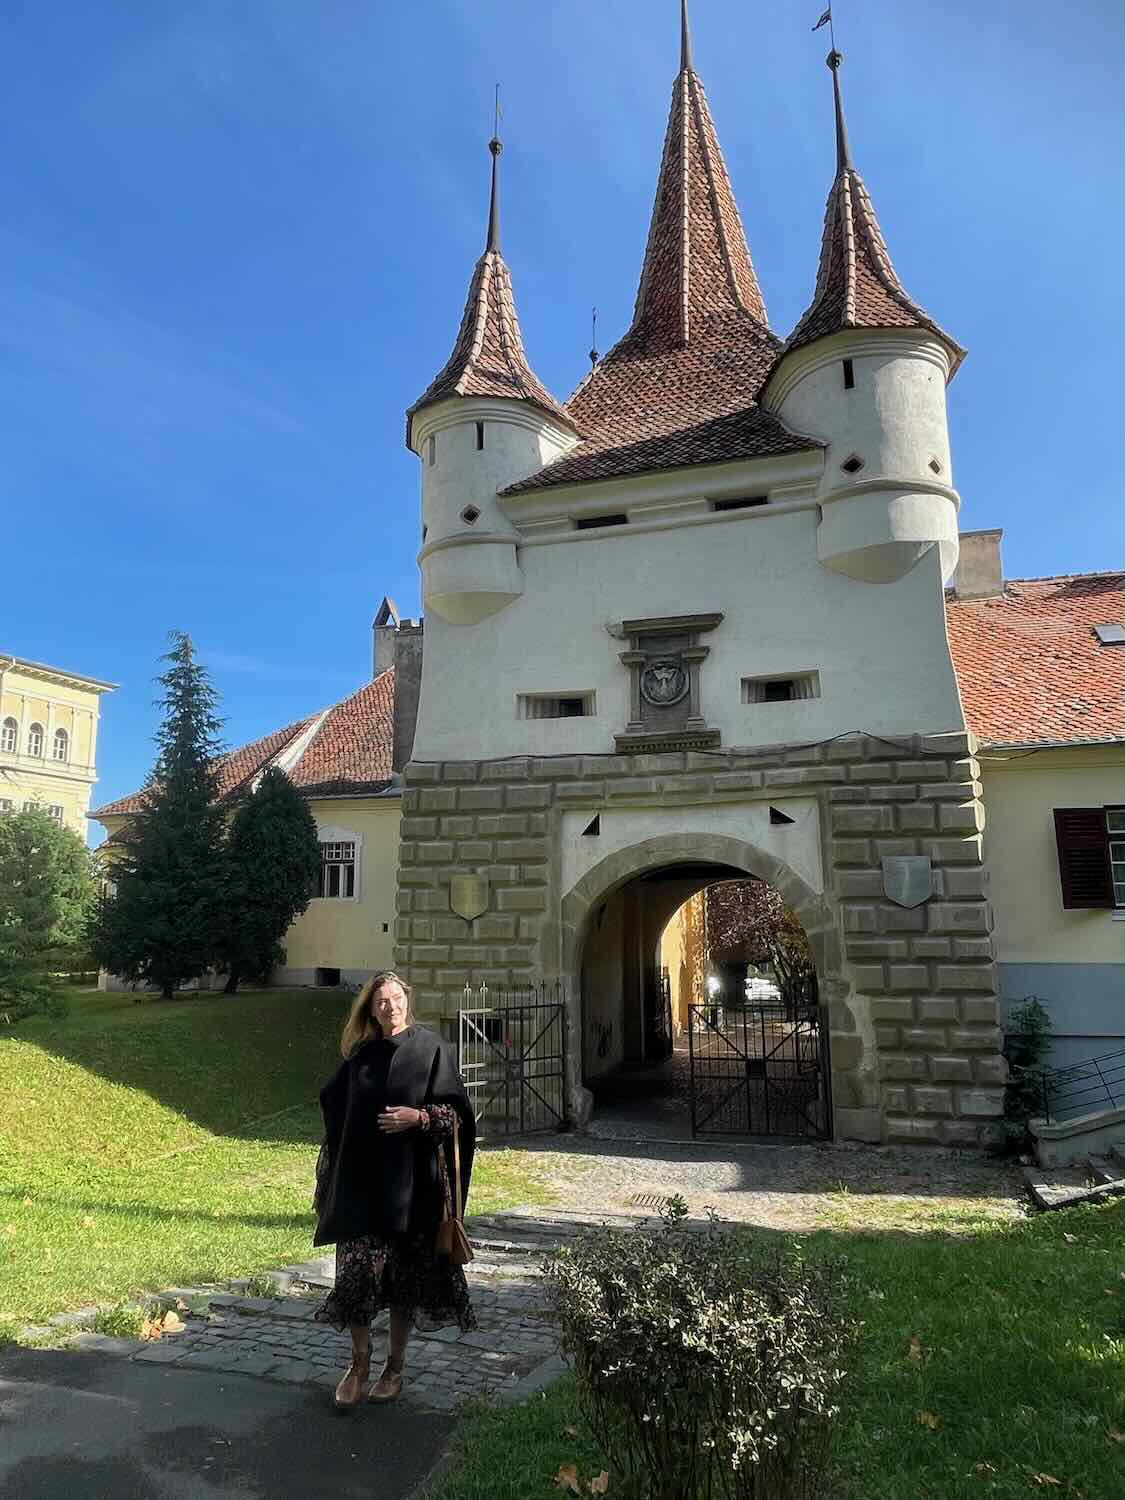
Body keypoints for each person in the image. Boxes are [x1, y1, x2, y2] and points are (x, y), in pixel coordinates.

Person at [312, 970, 476, 1408]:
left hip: (411, 1188)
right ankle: (358, 1364)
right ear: (371, 1009)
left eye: (395, 998)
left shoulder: (432, 1049)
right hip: (362, 1187)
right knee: (357, 1277)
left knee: (404, 1281)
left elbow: (458, 1117)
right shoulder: (363, 1055)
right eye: (380, 1002)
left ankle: (394, 1367)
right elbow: (333, 1105)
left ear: (407, 999)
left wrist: (417, 1118)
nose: (390, 1007)